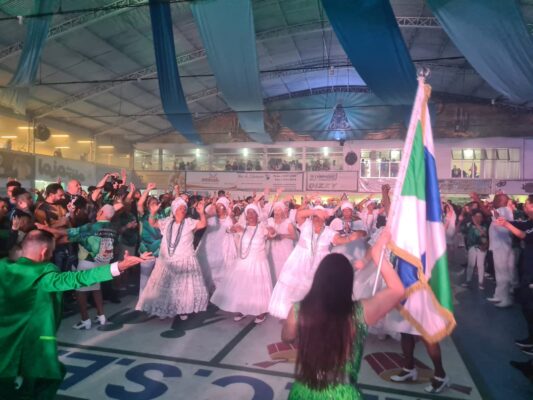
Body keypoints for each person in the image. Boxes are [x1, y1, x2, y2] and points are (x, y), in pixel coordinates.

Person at [0, 230, 151, 400]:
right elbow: (78, 278)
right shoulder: (44, 275)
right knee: (40, 383)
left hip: (4, 343)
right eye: (51, 252)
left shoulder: (3, 267)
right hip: (31, 348)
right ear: (44, 252)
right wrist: (119, 266)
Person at [281, 229, 404, 399]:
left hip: (305, 388)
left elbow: (287, 337)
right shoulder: (360, 312)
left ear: (318, 278)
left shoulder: (299, 309)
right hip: (342, 392)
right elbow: (397, 290)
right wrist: (377, 255)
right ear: (348, 282)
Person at [269, 205, 365, 319]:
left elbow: (339, 240)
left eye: (320, 216)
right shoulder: (306, 225)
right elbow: (299, 214)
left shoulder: (329, 232)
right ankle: (291, 316)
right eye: (314, 216)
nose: (317, 219)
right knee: (294, 289)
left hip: (318, 266)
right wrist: (315, 211)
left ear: (324, 218)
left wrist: (350, 238)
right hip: (298, 263)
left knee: (313, 291)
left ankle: (307, 316)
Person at [37, 204, 120, 330]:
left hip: (88, 261)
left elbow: (69, 232)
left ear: (102, 212)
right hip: (103, 263)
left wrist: (45, 228)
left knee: (80, 291)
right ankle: (101, 316)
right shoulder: (113, 229)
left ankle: (85, 320)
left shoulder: (91, 227)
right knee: (96, 288)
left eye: (99, 210)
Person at [136, 197, 208, 321]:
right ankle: (164, 309)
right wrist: (153, 213)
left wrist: (202, 213)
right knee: (166, 287)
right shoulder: (167, 222)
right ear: (174, 210)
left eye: (184, 208)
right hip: (166, 260)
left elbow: (203, 224)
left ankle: (183, 309)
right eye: (180, 208)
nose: (183, 210)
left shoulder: (189, 222)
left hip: (184, 259)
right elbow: (152, 223)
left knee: (182, 288)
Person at [211, 203, 276, 324]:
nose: (250, 215)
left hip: (258, 262)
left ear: (257, 214)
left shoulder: (262, 227)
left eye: (253, 212)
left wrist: (272, 230)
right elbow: (227, 230)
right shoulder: (242, 226)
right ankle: (243, 308)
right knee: (243, 286)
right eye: (248, 213)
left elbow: (272, 234)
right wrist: (233, 228)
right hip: (243, 262)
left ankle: (261, 311)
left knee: (257, 287)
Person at [196, 195, 236, 292]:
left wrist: (231, 215)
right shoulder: (212, 219)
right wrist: (212, 205)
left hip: (224, 247)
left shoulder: (228, 219)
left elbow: (234, 227)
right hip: (210, 246)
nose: (218, 208)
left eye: (220, 206)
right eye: (217, 206)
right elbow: (205, 216)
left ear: (225, 208)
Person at [487, 193, 515, 307]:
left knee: (503, 273)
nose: (494, 201)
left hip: (502, 246)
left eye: (496, 199)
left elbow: (505, 227)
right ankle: (498, 295)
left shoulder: (505, 210)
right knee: (499, 273)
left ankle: (506, 298)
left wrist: (496, 216)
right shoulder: (501, 210)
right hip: (498, 246)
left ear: (501, 201)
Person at [266, 201, 296, 282]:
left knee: (284, 270)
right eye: (275, 210)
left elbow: (294, 236)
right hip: (272, 250)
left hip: (285, 249)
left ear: (282, 211)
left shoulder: (287, 222)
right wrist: (270, 236)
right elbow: (266, 235)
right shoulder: (270, 221)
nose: (276, 212)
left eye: (279, 210)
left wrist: (283, 236)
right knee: (273, 269)